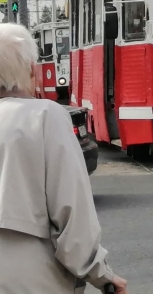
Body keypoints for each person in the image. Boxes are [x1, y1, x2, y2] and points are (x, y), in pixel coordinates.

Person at [0, 22, 128, 294]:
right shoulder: (44, 116)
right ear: (30, 70)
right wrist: (100, 274)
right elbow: (71, 210)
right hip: (30, 279)